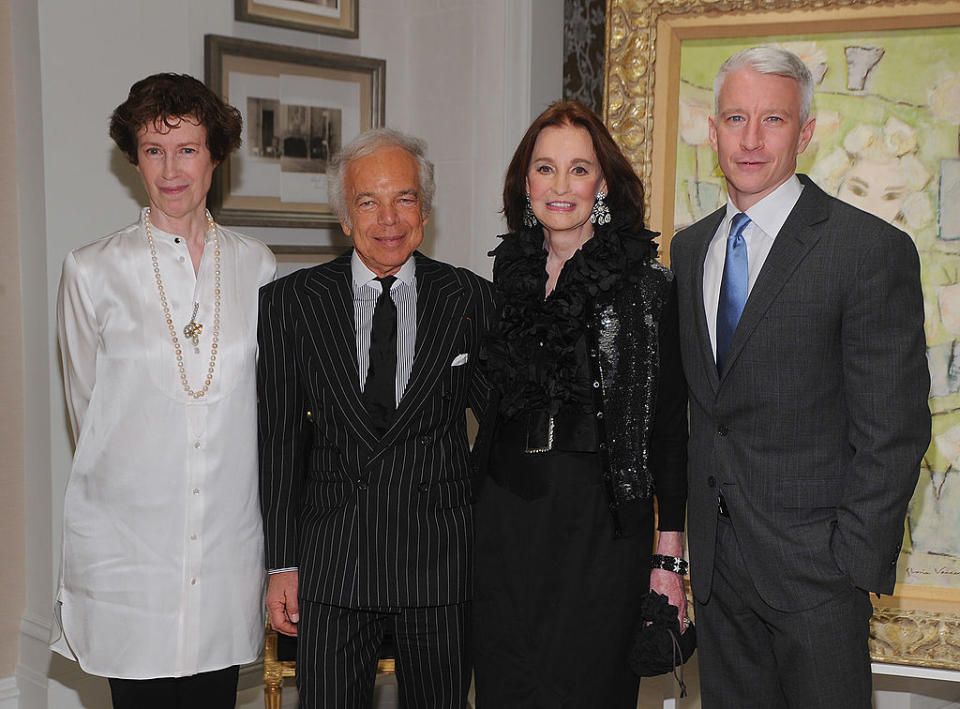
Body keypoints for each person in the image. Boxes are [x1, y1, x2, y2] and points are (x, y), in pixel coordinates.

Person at [670, 47, 931, 708]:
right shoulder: (690, 247)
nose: (751, 139)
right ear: (714, 129)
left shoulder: (868, 250)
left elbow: (893, 429)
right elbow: (709, 408)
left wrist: (847, 565)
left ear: (806, 133)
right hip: (720, 575)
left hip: (818, 580)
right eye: (735, 117)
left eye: (774, 120)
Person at [54, 73, 276, 708]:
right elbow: (87, 412)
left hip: (226, 549)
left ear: (215, 157)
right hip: (132, 556)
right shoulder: (91, 269)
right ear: (135, 160)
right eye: (154, 150)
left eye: (187, 148)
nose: (171, 168)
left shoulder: (257, 266)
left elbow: (261, 410)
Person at [257, 127, 495, 709]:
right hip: (332, 562)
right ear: (344, 217)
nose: (388, 218)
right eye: (368, 201)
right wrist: (282, 564)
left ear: (426, 210)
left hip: (439, 565)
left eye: (404, 198)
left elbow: (503, 431)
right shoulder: (290, 303)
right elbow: (279, 442)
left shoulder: (471, 299)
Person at [471, 100, 689, 708]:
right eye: (545, 168)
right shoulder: (502, 281)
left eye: (578, 169)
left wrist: (668, 560)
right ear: (524, 182)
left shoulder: (649, 288)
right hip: (504, 530)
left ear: (603, 184)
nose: (559, 186)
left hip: (601, 534)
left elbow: (670, 431)